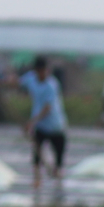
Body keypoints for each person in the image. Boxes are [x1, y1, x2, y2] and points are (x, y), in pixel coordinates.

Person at [19, 57, 68, 196]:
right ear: (36, 71)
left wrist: (31, 122)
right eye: (40, 71)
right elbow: (16, 82)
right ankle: (37, 180)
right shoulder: (31, 79)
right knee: (37, 152)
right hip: (40, 126)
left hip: (56, 125)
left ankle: (57, 179)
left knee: (58, 156)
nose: (43, 73)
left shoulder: (52, 85)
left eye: (45, 71)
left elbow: (47, 108)